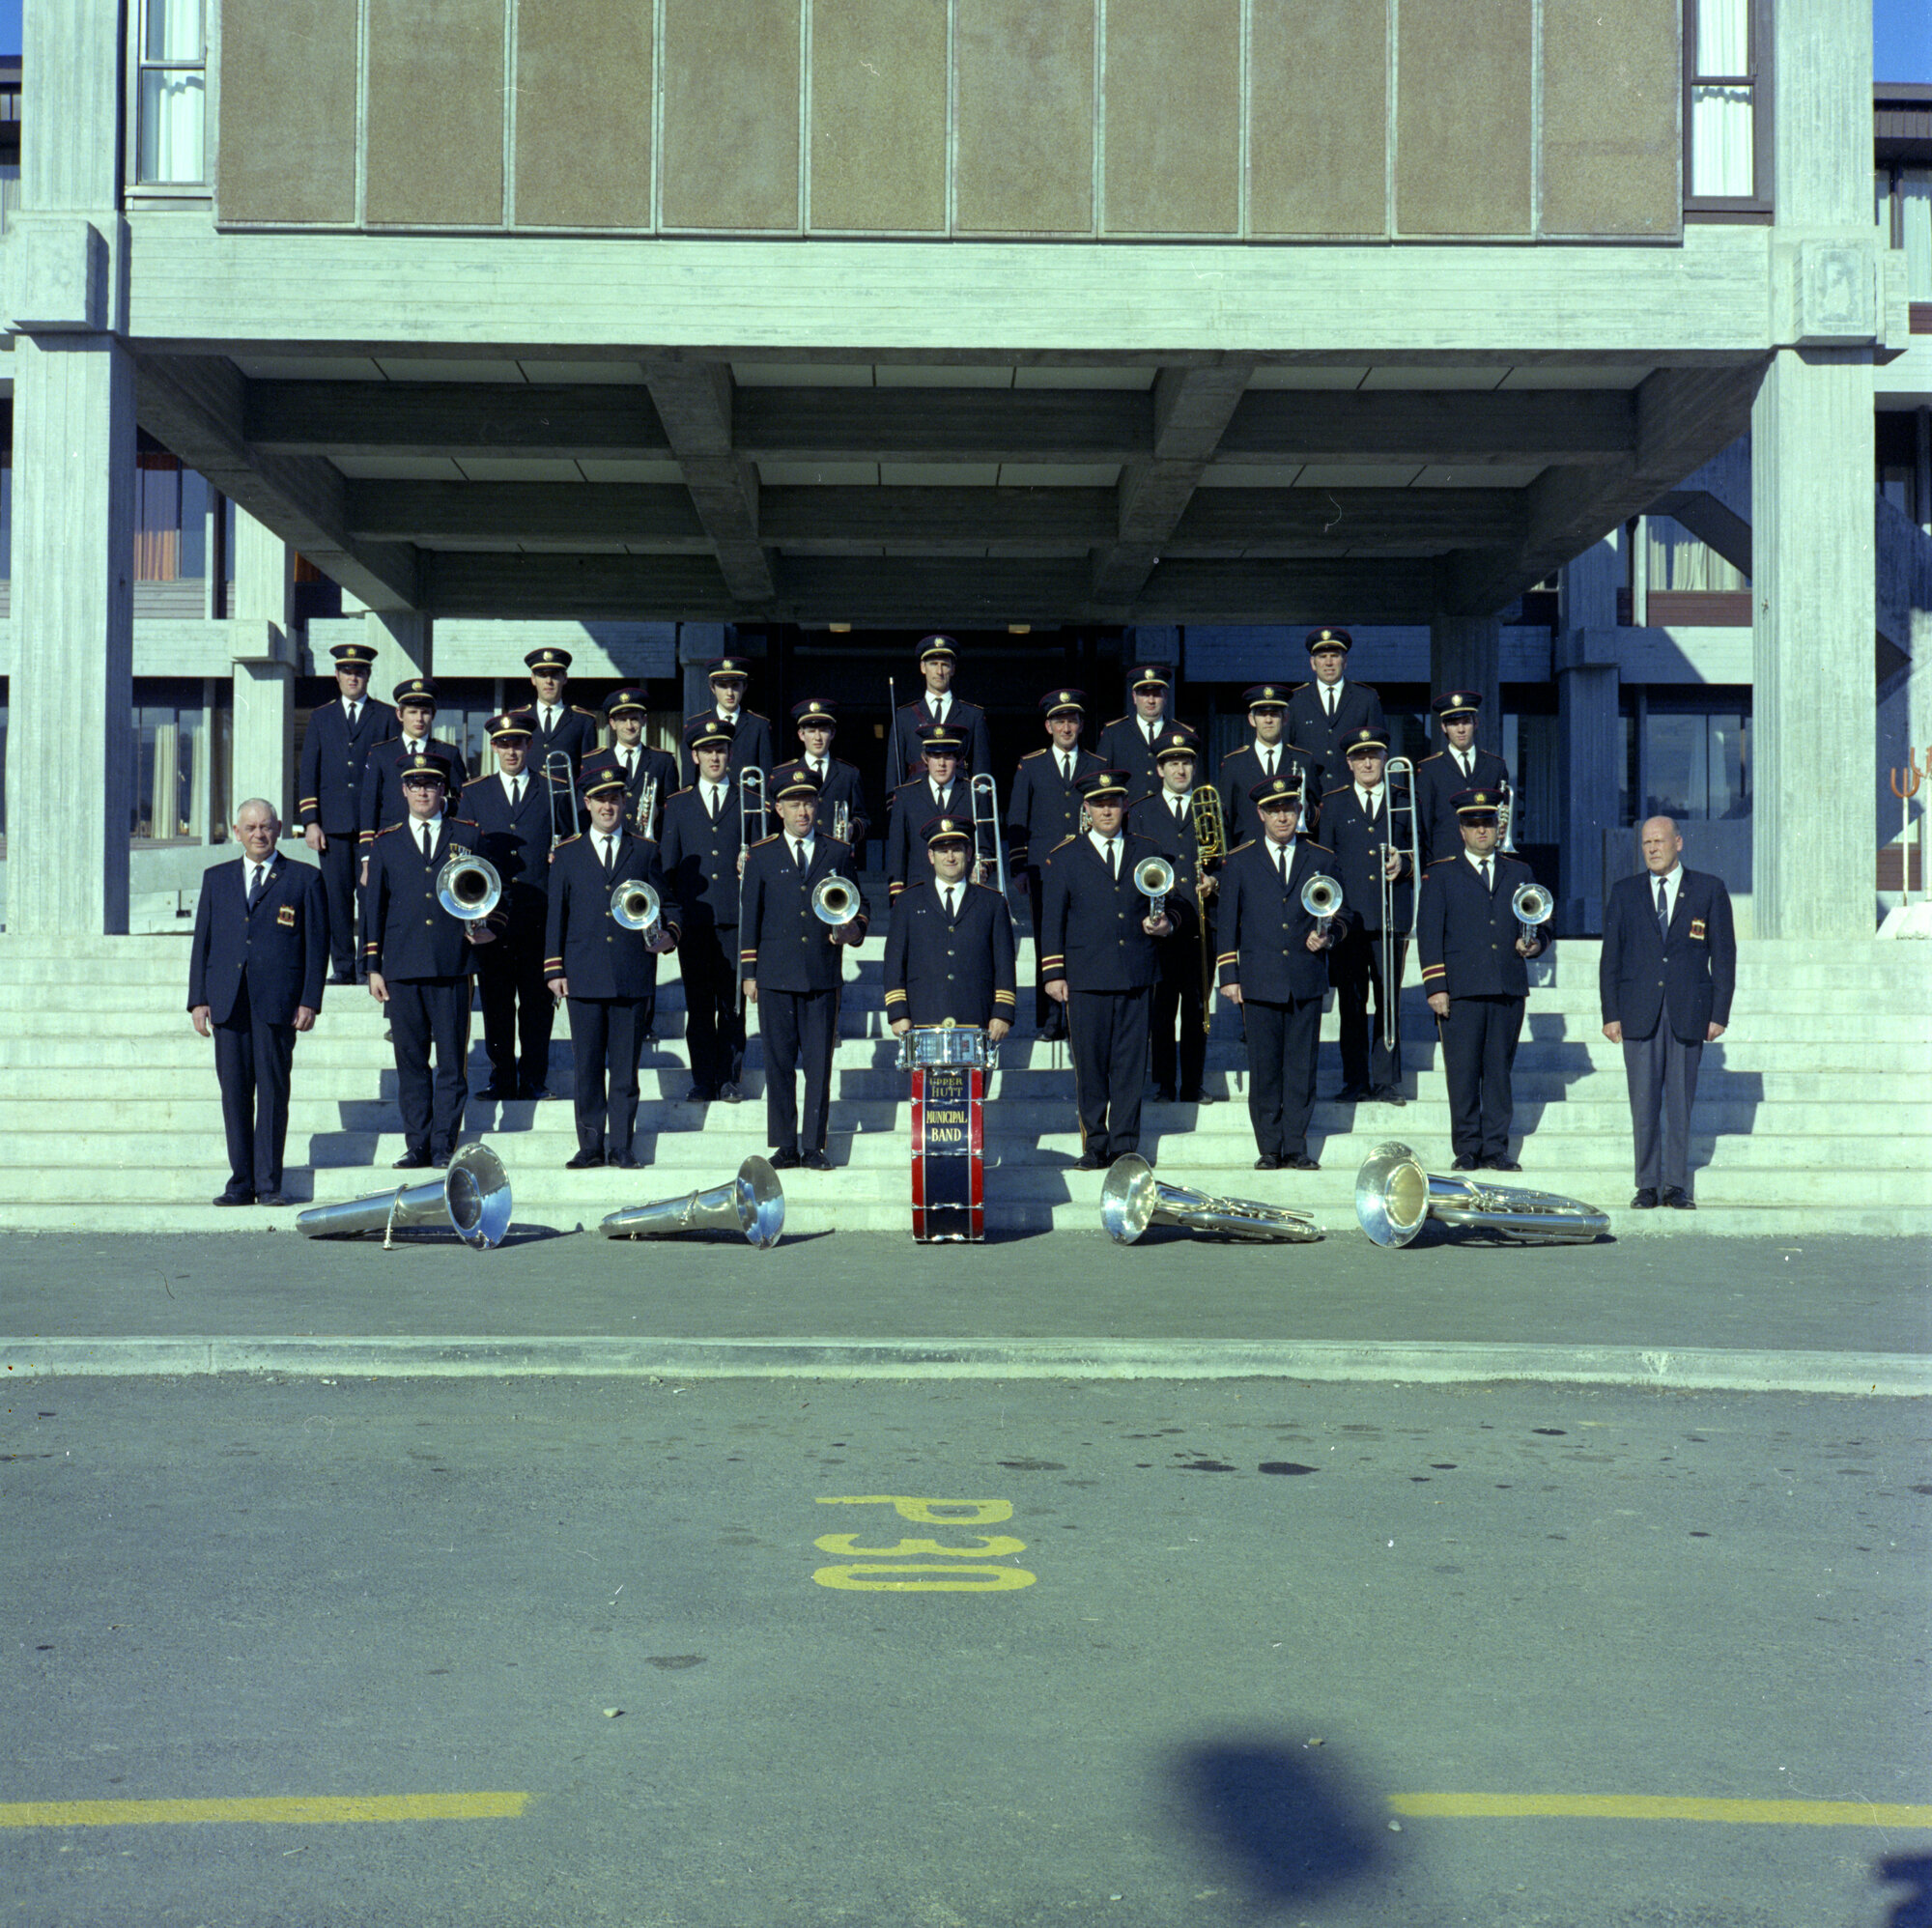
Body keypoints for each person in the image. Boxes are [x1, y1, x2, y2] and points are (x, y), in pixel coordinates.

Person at [1037, 769, 1189, 1171]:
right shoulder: (1065, 856)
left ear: (1125, 805)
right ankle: (1095, 1144)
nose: (1107, 810)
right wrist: (1053, 973)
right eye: (1099, 803)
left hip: (1137, 973)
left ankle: (1124, 1144)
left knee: (1129, 1065)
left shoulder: (1149, 851)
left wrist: (1166, 923)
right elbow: (1051, 920)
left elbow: (1177, 904)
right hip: (1086, 977)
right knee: (1089, 1065)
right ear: (1086, 808)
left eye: (1114, 802)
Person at [187, 799, 327, 1206]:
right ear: (236, 832)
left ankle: (268, 1185)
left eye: (265, 827)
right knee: (233, 1094)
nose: (259, 834)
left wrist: (309, 1001)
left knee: (271, 1092)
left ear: (279, 828)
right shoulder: (217, 879)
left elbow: (317, 948)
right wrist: (198, 1000)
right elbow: (203, 943)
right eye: (250, 828)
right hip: (228, 1001)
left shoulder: (304, 879)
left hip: (277, 1004)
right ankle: (240, 1182)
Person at [544, 767, 681, 1170]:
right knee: (586, 1068)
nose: (607, 806)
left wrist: (669, 935)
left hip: (632, 973)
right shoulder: (567, 853)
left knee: (625, 1070)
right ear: (587, 803)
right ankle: (589, 1147)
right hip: (582, 975)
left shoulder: (645, 850)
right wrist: (554, 969)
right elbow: (557, 914)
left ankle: (621, 1146)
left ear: (625, 803)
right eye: (600, 799)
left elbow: (669, 904)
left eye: (615, 798)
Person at [1600, 816, 1737, 1209]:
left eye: (1659, 841)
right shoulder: (1625, 892)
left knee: (1679, 1103)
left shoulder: (1708, 890)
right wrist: (1611, 1013)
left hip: (1687, 1012)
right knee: (1643, 1104)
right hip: (1639, 1012)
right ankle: (1646, 1185)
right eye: (1646, 843)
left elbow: (1724, 957)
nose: (1653, 849)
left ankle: (1676, 1185)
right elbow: (1611, 958)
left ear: (1678, 842)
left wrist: (1719, 1013)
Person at [363, 755, 491, 1170]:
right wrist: (373, 966)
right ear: (403, 790)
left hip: (453, 962)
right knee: (412, 1061)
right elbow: (373, 908)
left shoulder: (467, 835)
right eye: (415, 784)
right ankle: (417, 1144)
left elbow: (490, 889)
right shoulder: (385, 841)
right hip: (401, 966)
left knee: (453, 1062)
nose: (422, 791)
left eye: (431, 784)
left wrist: (484, 925)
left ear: (443, 791)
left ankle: (443, 1143)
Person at [739, 767, 868, 1171]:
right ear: (778, 808)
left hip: (821, 973)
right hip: (775, 975)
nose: (803, 812)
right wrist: (749, 972)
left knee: (818, 1064)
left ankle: (813, 1145)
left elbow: (861, 907)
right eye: (794, 804)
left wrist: (852, 931)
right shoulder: (761, 854)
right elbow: (751, 917)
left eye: (809, 803)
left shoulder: (837, 851)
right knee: (778, 1064)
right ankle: (785, 1144)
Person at [1415, 786, 1548, 1173]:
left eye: (1487, 823)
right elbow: (1429, 934)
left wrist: (1535, 944)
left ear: (1497, 826)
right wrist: (1436, 986)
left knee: (1498, 1071)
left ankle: (1496, 1148)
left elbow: (1542, 921)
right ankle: (1468, 1148)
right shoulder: (1440, 874)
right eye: (1474, 825)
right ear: (1462, 830)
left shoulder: (1519, 871)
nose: (1482, 831)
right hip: (1461, 989)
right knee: (1462, 1070)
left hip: (1507, 985)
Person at [1214, 778, 1344, 1172]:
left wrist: (1328, 936)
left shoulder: (1321, 858)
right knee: (1266, 1068)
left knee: (1301, 1067)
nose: (1283, 816)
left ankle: (1296, 1147)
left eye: (1289, 809)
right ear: (1261, 815)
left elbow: (1344, 914)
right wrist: (1229, 976)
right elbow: (1227, 924)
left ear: (1299, 812)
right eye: (1274, 810)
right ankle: (1269, 1148)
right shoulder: (1239, 860)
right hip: (1259, 978)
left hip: (1304, 978)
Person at [461, 712, 556, 1100]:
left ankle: (534, 1078)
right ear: (494, 747)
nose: (511, 750)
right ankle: (502, 1077)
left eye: (518, 743)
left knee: (537, 1003)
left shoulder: (552, 789)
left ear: (529, 746)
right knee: (498, 1003)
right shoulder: (475, 792)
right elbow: (464, 853)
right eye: (503, 744)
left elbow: (567, 842)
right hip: (492, 918)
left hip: (538, 915)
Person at [1320, 725, 1414, 1104]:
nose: (1367, 762)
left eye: (1373, 755)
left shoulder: (1404, 798)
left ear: (1384, 758)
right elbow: (1324, 861)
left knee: (1388, 1001)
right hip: (1349, 921)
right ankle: (1355, 1080)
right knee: (1351, 1002)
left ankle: (1386, 1081)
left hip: (1391, 917)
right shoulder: (1335, 803)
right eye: (1360, 757)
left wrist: (1403, 864)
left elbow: (1418, 850)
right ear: (1349, 762)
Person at [1005, 689, 1104, 1041]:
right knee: (1047, 942)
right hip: (1042, 869)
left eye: (1072, 720)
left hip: (1086, 868)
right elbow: (1017, 817)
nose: (1066, 727)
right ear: (1048, 726)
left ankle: (1077, 1014)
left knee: (1081, 940)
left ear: (1080, 724)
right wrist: (1019, 868)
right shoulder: (1030, 765)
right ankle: (1050, 1020)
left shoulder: (1097, 765)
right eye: (1059, 721)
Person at [658, 717, 748, 1103]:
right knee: (698, 1005)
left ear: (730, 754)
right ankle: (702, 1079)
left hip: (735, 919)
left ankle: (728, 1078)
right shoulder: (677, 805)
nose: (715, 756)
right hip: (695, 921)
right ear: (694, 755)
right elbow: (668, 866)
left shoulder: (749, 800)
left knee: (732, 1006)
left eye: (721, 749)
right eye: (708, 750)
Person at [1128, 727, 1216, 1103]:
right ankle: (1164, 1083)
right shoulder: (1142, 812)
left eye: (1187, 763)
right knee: (1161, 1009)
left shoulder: (1209, 807)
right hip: (1160, 925)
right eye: (1173, 763)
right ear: (1160, 769)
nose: (1181, 770)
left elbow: (1226, 862)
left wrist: (1214, 880)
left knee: (1198, 1010)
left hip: (1199, 923)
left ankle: (1193, 1084)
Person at [296, 639, 389, 983]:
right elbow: (309, 773)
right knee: (336, 900)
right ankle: (344, 967)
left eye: (360, 672)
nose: (354, 678)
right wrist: (311, 822)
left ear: (368, 675)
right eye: (347, 672)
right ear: (336, 675)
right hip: (332, 827)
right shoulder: (321, 717)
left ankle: (368, 966)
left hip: (372, 828)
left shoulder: (385, 716)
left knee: (370, 897)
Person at [882, 815, 1018, 1037]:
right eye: (943, 851)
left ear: (969, 853)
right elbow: (894, 962)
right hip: (922, 1016)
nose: (950, 857)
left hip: (977, 1017)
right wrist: (897, 1013)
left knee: (974, 1075)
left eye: (956, 849)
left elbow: (1004, 963)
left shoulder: (993, 903)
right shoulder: (908, 902)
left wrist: (1002, 1013)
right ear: (930, 856)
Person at [358, 678, 468, 861]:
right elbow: (370, 804)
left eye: (425, 712)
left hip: (436, 845)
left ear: (433, 715)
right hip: (391, 844)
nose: (419, 718)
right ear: (399, 714)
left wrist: (444, 804)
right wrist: (367, 856)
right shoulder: (381, 753)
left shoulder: (448, 753)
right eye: (412, 712)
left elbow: (465, 802)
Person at [1285, 626, 1388, 798]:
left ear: (1345, 661)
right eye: (1322, 657)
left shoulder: (1366, 698)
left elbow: (1378, 750)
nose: (1329, 663)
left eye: (1334, 656)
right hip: (1309, 797)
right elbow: (1287, 752)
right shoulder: (1295, 700)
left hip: (1352, 798)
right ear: (1313, 663)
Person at [1413, 690, 1512, 866]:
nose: (1460, 729)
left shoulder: (1495, 766)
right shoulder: (1429, 769)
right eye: (1453, 723)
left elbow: (1502, 817)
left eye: (1466, 722)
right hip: (1445, 861)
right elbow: (1424, 827)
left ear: (1476, 723)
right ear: (1444, 727)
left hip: (1486, 862)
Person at [1217, 684, 1323, 847]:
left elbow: (1318, 816)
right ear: (1252, 720)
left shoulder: (1304, 760)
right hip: (1248, 857)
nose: (1268, 720)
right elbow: (1225, 821)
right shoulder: (1234, 764)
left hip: (1294, 852)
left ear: (1285, 718)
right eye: (1262, 714)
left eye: (1274, 714)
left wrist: (1307, 812)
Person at [890, 635, 992, 782]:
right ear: (923, 667)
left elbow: (981, 772)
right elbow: (894, 772)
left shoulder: (973, 715)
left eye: (944, 664)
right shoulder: (904, 717)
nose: (939, 671)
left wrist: (980, 803)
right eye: (933, 664)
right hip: (916, 800)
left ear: (953, 669)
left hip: (960, 799)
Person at [885, 724, 969, 898]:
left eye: (948, 756)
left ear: (958, 759)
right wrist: (897, 891)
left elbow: (984, 845)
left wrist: (982, 869)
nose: (941, 764)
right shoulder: (905, 795)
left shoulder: (973, 793)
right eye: (935, 756)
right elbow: (897, 848)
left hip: (964, 888)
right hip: (918, 889)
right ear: (924, 758)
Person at [597, 687, 680, 842]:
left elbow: (675, 811)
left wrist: (658, 813)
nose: (629, 726)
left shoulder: (663, 761)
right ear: (612, 723)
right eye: (622, 720)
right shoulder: (596, 762)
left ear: (644, 720)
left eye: (634, 719)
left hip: (649, 847)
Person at [786, 697, 869, 849]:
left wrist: (851, 828)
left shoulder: (849, 774)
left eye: (823, 730)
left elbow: (863, 819)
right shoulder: (786, 774)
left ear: (832, 733)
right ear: (801, 735)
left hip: (835, 855)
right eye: (811, 731)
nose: (817, 738)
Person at [681, 655, 773, 785]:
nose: (729, 693)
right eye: (723, 686)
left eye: (735, 685)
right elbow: (689, 778)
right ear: (712, 688)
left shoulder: (758, 726)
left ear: (744, 687)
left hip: (746, 801)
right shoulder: (696, 725)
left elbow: (766, 776)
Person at [1096, 665, 1179, 802]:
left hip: (1171, 820)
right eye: (1145, 694)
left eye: (1156, 694)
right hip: (1129, 818)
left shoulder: (1180, 733)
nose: (1151, 700)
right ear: (1134, 697)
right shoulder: (1114, 733)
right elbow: (1102, 782)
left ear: (1165, 696)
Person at [524, 645, 601, 790]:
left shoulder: (583, 721)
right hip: (528, 805)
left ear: (565, 678)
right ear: (533, 679)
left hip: (566, 807)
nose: (549, 681)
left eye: (554, 675)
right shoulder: (520, 719)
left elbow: (588, 773)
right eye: (542, 675)